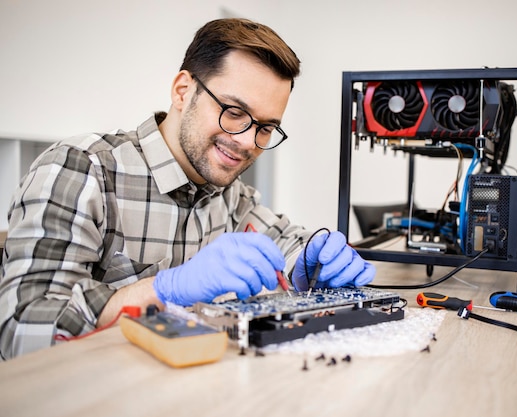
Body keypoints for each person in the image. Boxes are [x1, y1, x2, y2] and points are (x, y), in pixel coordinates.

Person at [0, 18, 375, 360]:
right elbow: (19, 333)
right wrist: (162, 290)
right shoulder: (82, 170)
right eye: (233, 112)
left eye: (265, 127)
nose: (247, 142)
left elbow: (286, 241)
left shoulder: (229, 193)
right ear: (183, 91)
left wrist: (310, 261)